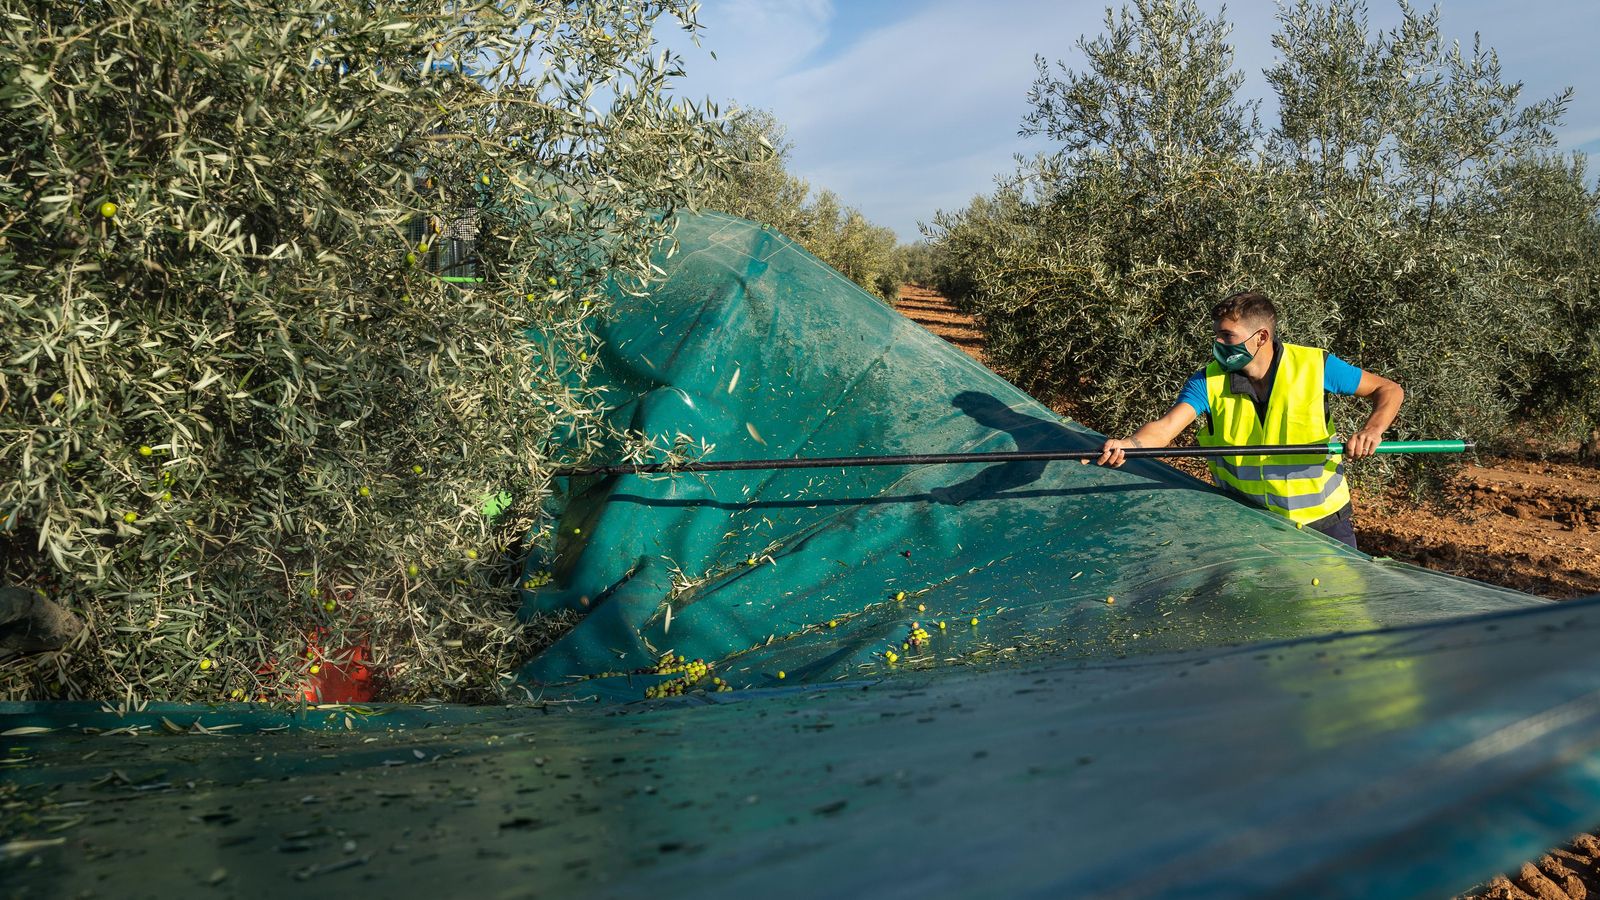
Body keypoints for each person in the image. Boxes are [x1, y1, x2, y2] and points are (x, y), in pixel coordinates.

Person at [1096, 291, 1404, 549]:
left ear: (1261, 337)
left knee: (1338, 610)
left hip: (1322, 523)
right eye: (1216, 334)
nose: (1218, 342)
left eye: (1227, 335)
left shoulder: (1315, 366)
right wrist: (1131, 444)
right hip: (1248, 524)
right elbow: (1165, 428)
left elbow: (1388, 389)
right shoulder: (1208, 381)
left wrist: (1371, 430)